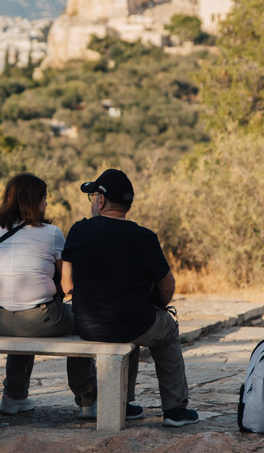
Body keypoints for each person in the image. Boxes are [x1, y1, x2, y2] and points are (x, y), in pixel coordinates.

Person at [61, 168, 199, 427]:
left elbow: (67, 285)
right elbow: (168, 284)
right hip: (133, 323)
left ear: (101, 200)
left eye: (92, 196)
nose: (92, 201)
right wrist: (158, 305)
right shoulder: (144, 237)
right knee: (166, 330)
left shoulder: (79, 231)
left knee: (130, 323)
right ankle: (175, 409)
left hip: (87, 325)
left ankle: (121, 403)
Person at [0, 174, 96, 416]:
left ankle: (13, 397)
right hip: (40, 320)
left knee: (22, 310)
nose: (47, 203)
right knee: (81, 323)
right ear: (35, 201)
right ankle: (88, 400)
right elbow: (67, 281)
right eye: (44, 198)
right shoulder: (52, 233)